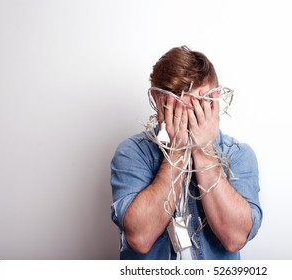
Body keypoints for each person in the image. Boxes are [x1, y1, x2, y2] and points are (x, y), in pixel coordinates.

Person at [110, 46, 262, 260]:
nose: (190, 118)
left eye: (200, 106)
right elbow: (140, 239)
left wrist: (203, 151)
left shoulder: (239, 155)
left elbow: (235, 238)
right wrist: (177, 152)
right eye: (179, 107)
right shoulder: (132, 153)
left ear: (216, 100)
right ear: (158, 102)